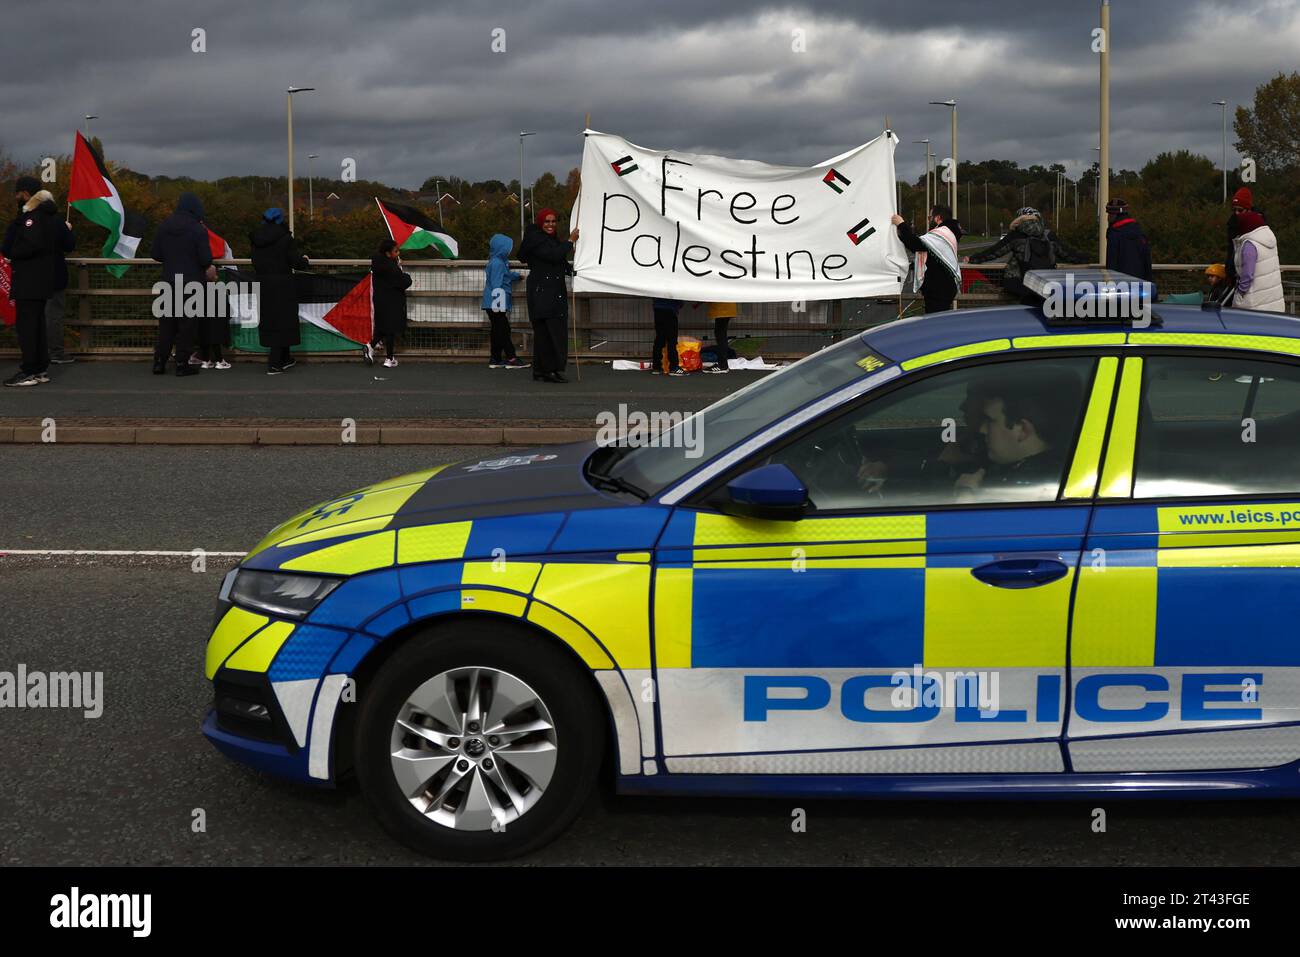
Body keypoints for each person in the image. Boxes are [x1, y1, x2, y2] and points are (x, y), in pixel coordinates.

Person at [954, 372, 1081, 501]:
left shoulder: (1025, 489)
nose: (982, 429)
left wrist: (965, 494)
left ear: (1023, 430)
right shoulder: (1056, 473)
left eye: (990, 421)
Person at [2, 179, 66, 387]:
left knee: (27, 327)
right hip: (41, 279)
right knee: (37, 325)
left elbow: (26, 245)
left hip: (29, 279)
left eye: (18, 193)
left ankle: (29, 369)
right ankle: (39, 368)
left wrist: (13, 252)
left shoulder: (32, 218)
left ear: (26, 193)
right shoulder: (49, 216)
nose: (15, 197)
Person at [965, 207, 1089, 305]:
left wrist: (973, 258)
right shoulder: (1049, 235)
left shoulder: (1016, 235)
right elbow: (1067, 254)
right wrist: (1085, 258)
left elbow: (994, 252)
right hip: (1046, 283)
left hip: (1022, 285)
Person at [151, 192, 215, 376]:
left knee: (167, 324)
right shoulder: (198, 229)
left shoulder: (164, 225)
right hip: (191, 282)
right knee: (187, 325)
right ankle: (181, 363)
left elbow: (155, 253)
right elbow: (205, 259)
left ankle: (159, 361)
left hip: (169, 280)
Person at [518, 207, 577, 383]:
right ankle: (550, 369)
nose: (551, 225)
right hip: (545, 293)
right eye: (547, 222)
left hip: (547, 292)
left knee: (545, 334)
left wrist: (574, 271)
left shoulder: (547, 240)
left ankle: (542, 370)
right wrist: (570, 241)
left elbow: (560, 261)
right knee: (552, 333)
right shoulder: (537, 241)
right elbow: (553, 256)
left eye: (553, 221)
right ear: (540, 223)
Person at [249, 208, 308, 375]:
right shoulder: (286, 238)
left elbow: (255, 261)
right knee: (285, 320)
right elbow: (295, 262)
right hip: (283, 284)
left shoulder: (256, 238)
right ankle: (275, 363)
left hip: (263, 283)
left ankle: (284, 358)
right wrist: (304, 261)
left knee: (271, 320)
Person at [891, 205, 963, 313]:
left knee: (935, 324)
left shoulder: (942, 234)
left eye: (930, 218)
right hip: (942, 288)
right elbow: (931, 256)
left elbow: (916, 244)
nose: (928, 220)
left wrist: (901, 225)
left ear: (938, 218)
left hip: (939, 290)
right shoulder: (949, 232)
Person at [480, 233, 528, 369]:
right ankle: (511, 358)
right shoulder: (498, 263)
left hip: (493, 302)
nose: (509, 250)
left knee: (497, 330)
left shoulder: (497, 262)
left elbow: (504, 276)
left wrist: (516, 276)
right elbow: (497, 284)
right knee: (503, 329)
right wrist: (499, 303)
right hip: (496, 302)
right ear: (502, 248)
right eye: (508, 248)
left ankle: (495, 358)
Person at [367, 238, 412, 368]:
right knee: (391, 329)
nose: (398, 253)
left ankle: (371, 346)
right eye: (396, 251)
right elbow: (403, 282)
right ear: (388, 253)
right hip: (392, 300)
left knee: (383, 327)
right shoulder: (391, 267)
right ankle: (389, 358)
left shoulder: (377, 262)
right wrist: (404, 273)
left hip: (380, 299)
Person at [1231, 209, 1284, 313]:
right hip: (1272, 299)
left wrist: (1240, 293)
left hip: (1254, 302)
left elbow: (1248, 274)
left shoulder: (1249, 245)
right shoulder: (1268, 239)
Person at [45, 193, 76, 365]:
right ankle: (55, 352)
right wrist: (68, 230)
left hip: (32, 277)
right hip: (54, 275)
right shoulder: (57, 222)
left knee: (36, 315)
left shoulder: (27, 220)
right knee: (54, 315)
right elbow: (69, 245)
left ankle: (36, 352)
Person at [1103, 198, 1152, 281]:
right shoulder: (1139, 231)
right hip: (1140, 282)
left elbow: (1111, 264)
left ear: (1113, 215)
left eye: (1109, 214)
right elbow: (1147, 260)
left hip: (1121, 284)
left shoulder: (1114, 234)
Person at [650, 298, 685, 375]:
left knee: (659, 339)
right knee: (672, 340)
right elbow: (678, 296)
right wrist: (680, 304)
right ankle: (674, 367)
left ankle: (656, 367)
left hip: (658, 309)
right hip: (670, 309)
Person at [704, 301, 737, 372]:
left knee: (721, 335)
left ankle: (722, 365)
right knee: (721, 334)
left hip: (723, 309)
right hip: (725, 308)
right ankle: (723, 364)